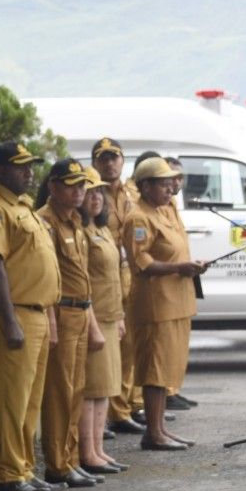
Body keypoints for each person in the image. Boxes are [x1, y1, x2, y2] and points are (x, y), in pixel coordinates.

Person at [0, 141, 62, 491]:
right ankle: (9, 474)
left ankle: (24, 467)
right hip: (13, 313)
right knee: (11, 399)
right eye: (20, 166)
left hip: (36, 312)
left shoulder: (22, 207)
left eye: (30, 166)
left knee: (29, 401)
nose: (28, 172)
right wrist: (10, 321)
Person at [124, 157, 206, 450]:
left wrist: (190, 265)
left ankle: (159, 429)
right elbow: (141, 261)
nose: (171, 187)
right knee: (155, 369)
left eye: (172, 181)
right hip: (156, 304)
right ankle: (153, 433)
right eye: (163, 182)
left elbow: (175, 249)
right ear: (145, 186)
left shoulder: (168, 209)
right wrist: (177, 268)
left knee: (168, 366)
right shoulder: (138, 218)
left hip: (177, 300)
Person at [35, 158, 104, 488]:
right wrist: (50, 319)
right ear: (53, 187)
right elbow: (46, 277)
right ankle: (57, 463)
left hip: (79, 312)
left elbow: (82, 275)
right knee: (59, 392)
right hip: (60, 312)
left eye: (82, 185)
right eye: (71, 185)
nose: (79, 191)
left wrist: (91, 320)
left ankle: (72, 458)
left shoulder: (75, 221)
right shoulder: (45, 222)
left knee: (76, 389)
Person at [91, 137, 145, 436]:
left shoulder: (132, 192)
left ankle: (128, 405)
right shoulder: (94, 195)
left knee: (131, 345)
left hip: (131, 272)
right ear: (95, 163)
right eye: (103, 158)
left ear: (123, 160)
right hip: (106, 274)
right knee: (112, 345)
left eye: (114, 157)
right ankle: (116, 410)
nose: (109, 163)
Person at [78, 167, 128, 474]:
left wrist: (120, 316)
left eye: (99, 192)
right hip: (93, 317)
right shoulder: (81, 232)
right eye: (89, 192)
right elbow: (82, 282)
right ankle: (88, 452)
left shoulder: (103, 229)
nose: (95, 198)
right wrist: (94, 322)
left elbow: (114, 276)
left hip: (111, 317)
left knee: (106, 387)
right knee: (92, 388)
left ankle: (98, 448)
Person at [162, 155, 199, 411]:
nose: (176, 182)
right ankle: (164, 392)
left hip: (181, 282)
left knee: (178, 343)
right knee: (164, 346)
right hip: (165, 284)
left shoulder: (172, 203)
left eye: (179, 177)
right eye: (171, 177)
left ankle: (173, 388)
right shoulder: (155, 207)